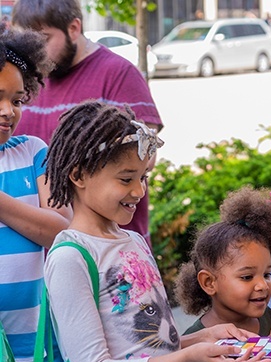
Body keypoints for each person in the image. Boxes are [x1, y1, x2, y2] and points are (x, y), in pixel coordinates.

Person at [43, 101, 270, 362]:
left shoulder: (132, 239)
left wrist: (201, 339)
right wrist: (189, 356)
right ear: (78, 175)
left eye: (143, 177)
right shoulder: (71, 258)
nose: (139, 191)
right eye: (125, 179)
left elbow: (145, 348)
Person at [12, 0, 162, 246]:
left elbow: (147, 154)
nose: (33, 53)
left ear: (74, 28)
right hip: (39, 256)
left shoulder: (118, 73)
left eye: (44, 40)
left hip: (109, 253)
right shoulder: (25, 82)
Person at [174, 187, 271, 362]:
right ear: (209, 283)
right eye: (247, 277)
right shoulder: (196, 344)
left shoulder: (267, 317)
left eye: (266, 274)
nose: (262, 285)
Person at [0, 25, 72, 362]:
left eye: (16, 100)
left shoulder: (33, 153)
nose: (8, 111)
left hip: (36, 343)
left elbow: (61, 230)